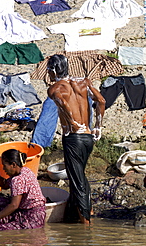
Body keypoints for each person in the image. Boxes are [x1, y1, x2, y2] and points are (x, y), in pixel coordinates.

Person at [47, 54, 105, 224]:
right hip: (88, 137)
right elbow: (101, 100)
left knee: (77, 179)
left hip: (73, 138)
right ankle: (87, 210)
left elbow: (64, 104)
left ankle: (86, 225)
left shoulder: (55, 89)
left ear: (53, 70)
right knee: (79, 176)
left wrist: (73, 124)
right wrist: (98, 126)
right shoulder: (84, 82)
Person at [0, 149, 46, 230]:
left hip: (32, 217)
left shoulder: (17, 180)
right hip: (36, 213)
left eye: (5, 165)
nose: (3, 169)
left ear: (13, 165)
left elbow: (14, 205)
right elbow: (4, 184)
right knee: (2, 202)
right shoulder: (25, 170)